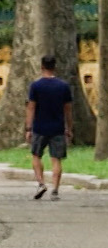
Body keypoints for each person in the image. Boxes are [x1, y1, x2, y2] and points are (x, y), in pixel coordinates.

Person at [26, 55, 73, 201]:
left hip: (39, 127)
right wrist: (69, 127)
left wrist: (28, 128)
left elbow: (31, 107)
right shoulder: (63, 86)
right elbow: (68, 110)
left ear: (41, 67)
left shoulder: (36, 86)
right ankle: (55, 190)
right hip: (57, 127)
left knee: (36, 156)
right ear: (55, 67)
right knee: (56, 159)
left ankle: (41, 183)